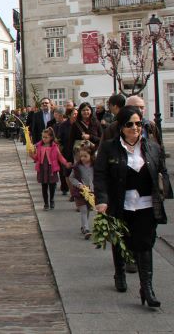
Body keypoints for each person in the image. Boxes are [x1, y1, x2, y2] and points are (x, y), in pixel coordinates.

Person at [94, 106, 170, 307]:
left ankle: (147, 288)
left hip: (146, 205)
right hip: (120, 204)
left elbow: (162, 171)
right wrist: (101, 199)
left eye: (138, 123)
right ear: (121, 127)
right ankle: (119, 273)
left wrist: (165, 190)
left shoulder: (152, 147)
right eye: (129, 124)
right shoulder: (109, 147)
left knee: (145, 245)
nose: (135, 128)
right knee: (121, 241)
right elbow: (100, 175)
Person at [29, 127, 71, 211]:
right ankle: (46, 203)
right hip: (42, 169)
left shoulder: (55, 147)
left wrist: (66, 163)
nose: (44, 139)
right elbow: (36, 158)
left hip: (51, 169)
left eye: (46, 137)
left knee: (52, 186)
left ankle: (51, 200)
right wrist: (31, 154)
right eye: (43, 137)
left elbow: (60, 157)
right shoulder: (39, 146)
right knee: (44, 186)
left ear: (51, 137)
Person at [69, 141, 95, 239]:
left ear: (91, 156)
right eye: (81, 156)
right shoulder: (77, 166)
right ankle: (86, 229)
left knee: (87, 209)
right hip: (80, 192)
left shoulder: (95, 165)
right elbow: (71, 178)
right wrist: (79, 184)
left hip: (91, 191)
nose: (83, 158)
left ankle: (84, 225)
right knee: (83, 209)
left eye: (85, 156)